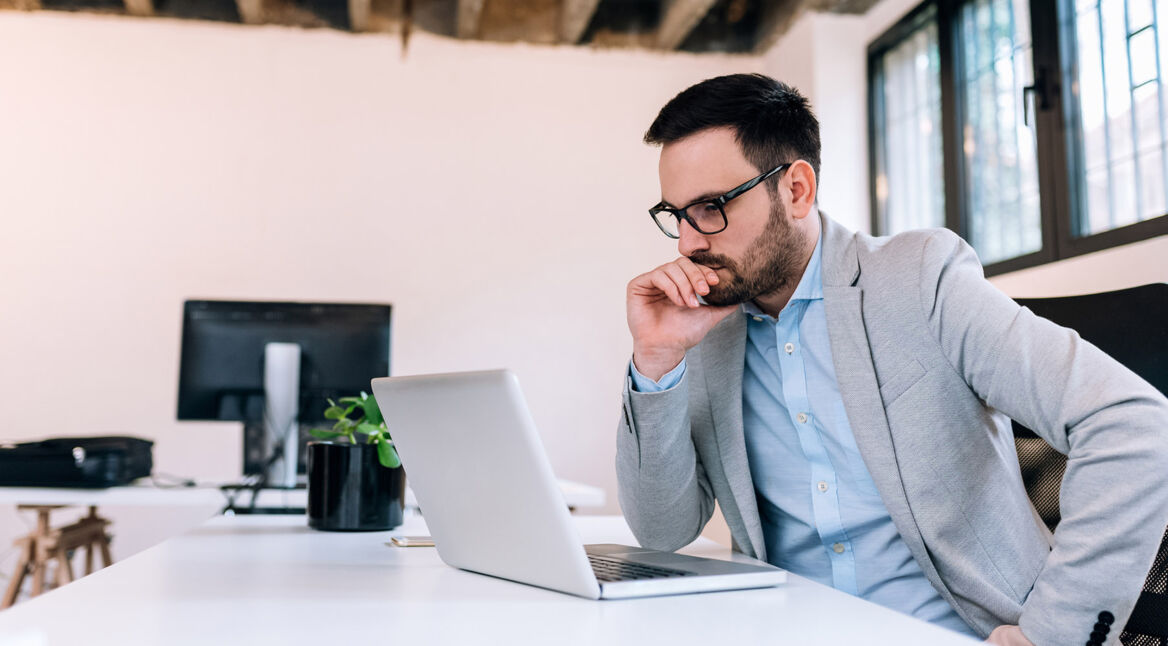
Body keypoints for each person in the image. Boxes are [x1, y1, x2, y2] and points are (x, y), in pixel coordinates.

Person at [615, 73, 1168, 646]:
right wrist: (656, 359)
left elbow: (1132, 424)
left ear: (797, 190)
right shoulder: (706, 330)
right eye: (676, 214)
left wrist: (1056, 634)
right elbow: (663, 531)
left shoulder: (920, 280)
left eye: (711, 207)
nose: (687, 243)